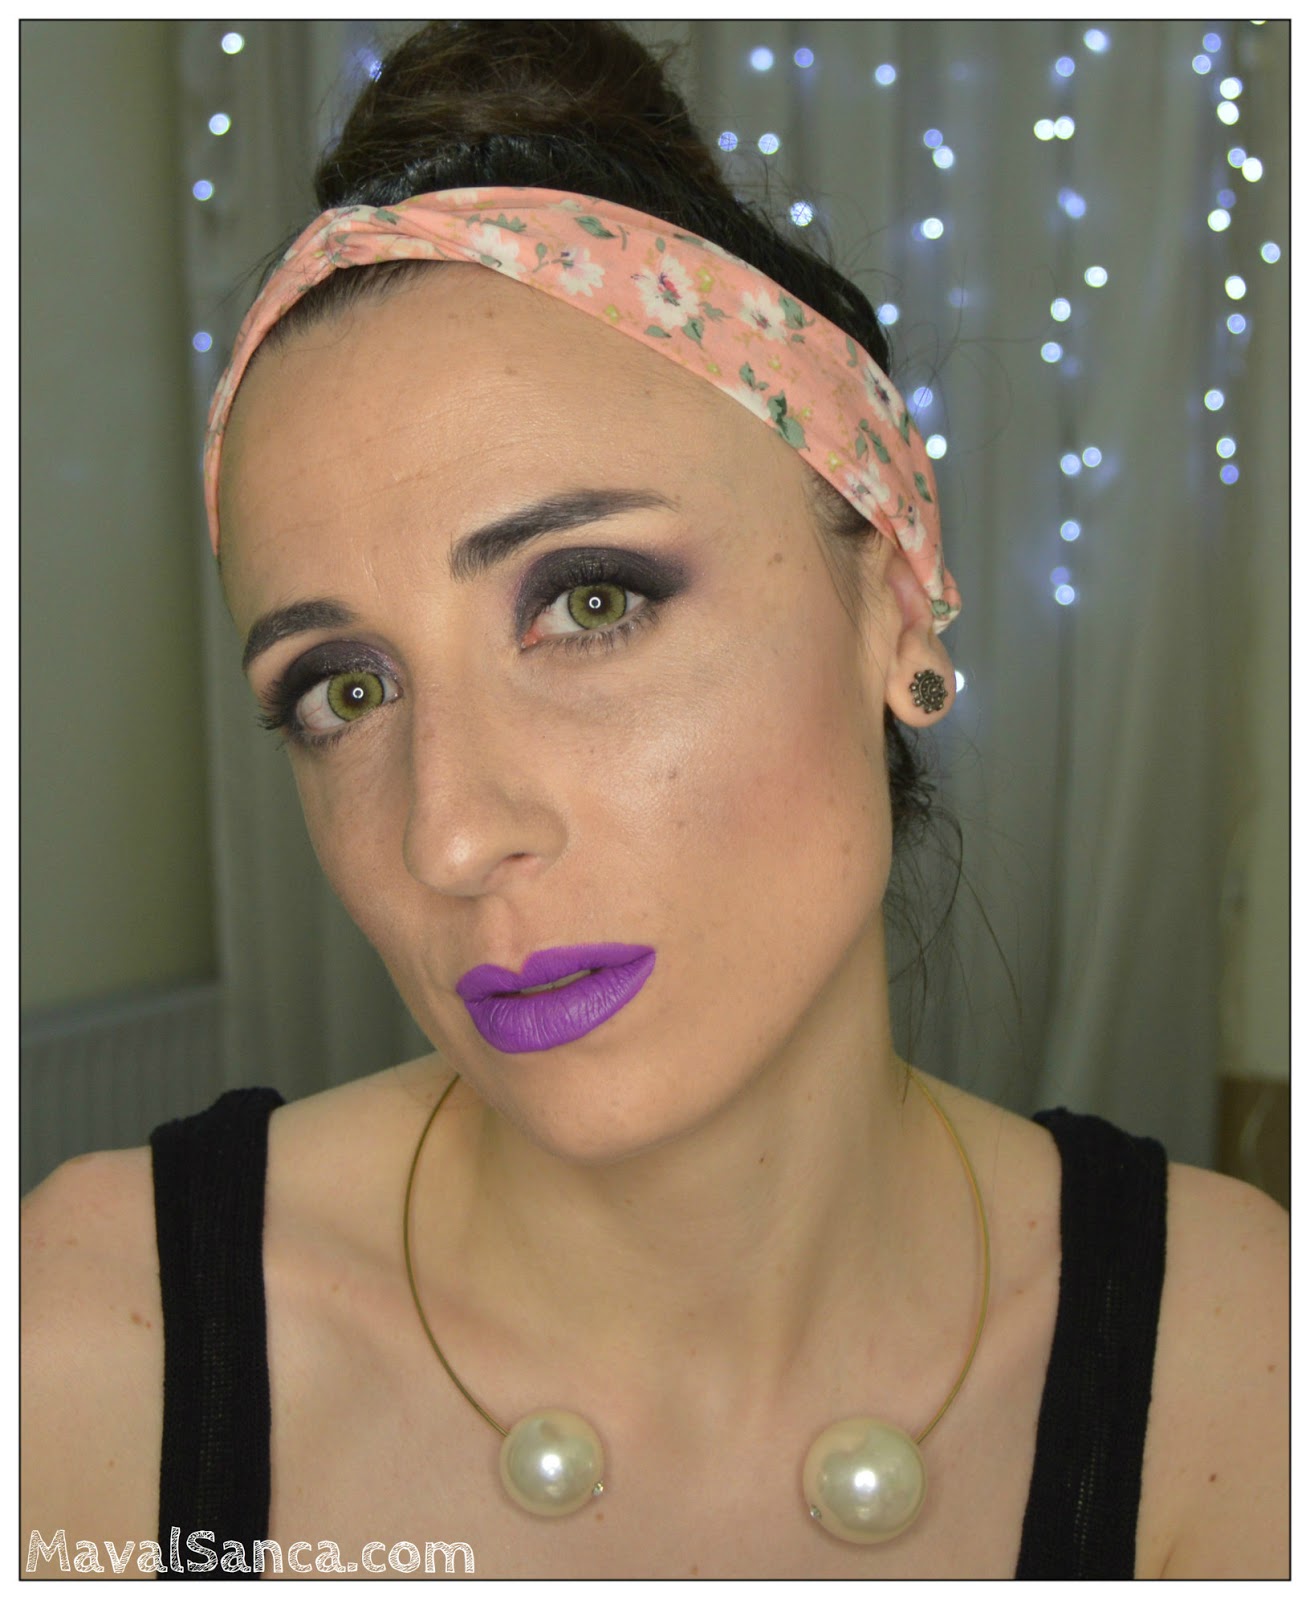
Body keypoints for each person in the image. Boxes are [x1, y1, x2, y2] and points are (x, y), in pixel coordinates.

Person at [21, 20, 1287, 1581]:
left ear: (894, 602)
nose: (450, 835)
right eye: (344, 690)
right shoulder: (91, 1344)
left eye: (591, 602)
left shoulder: (1242, 1363)